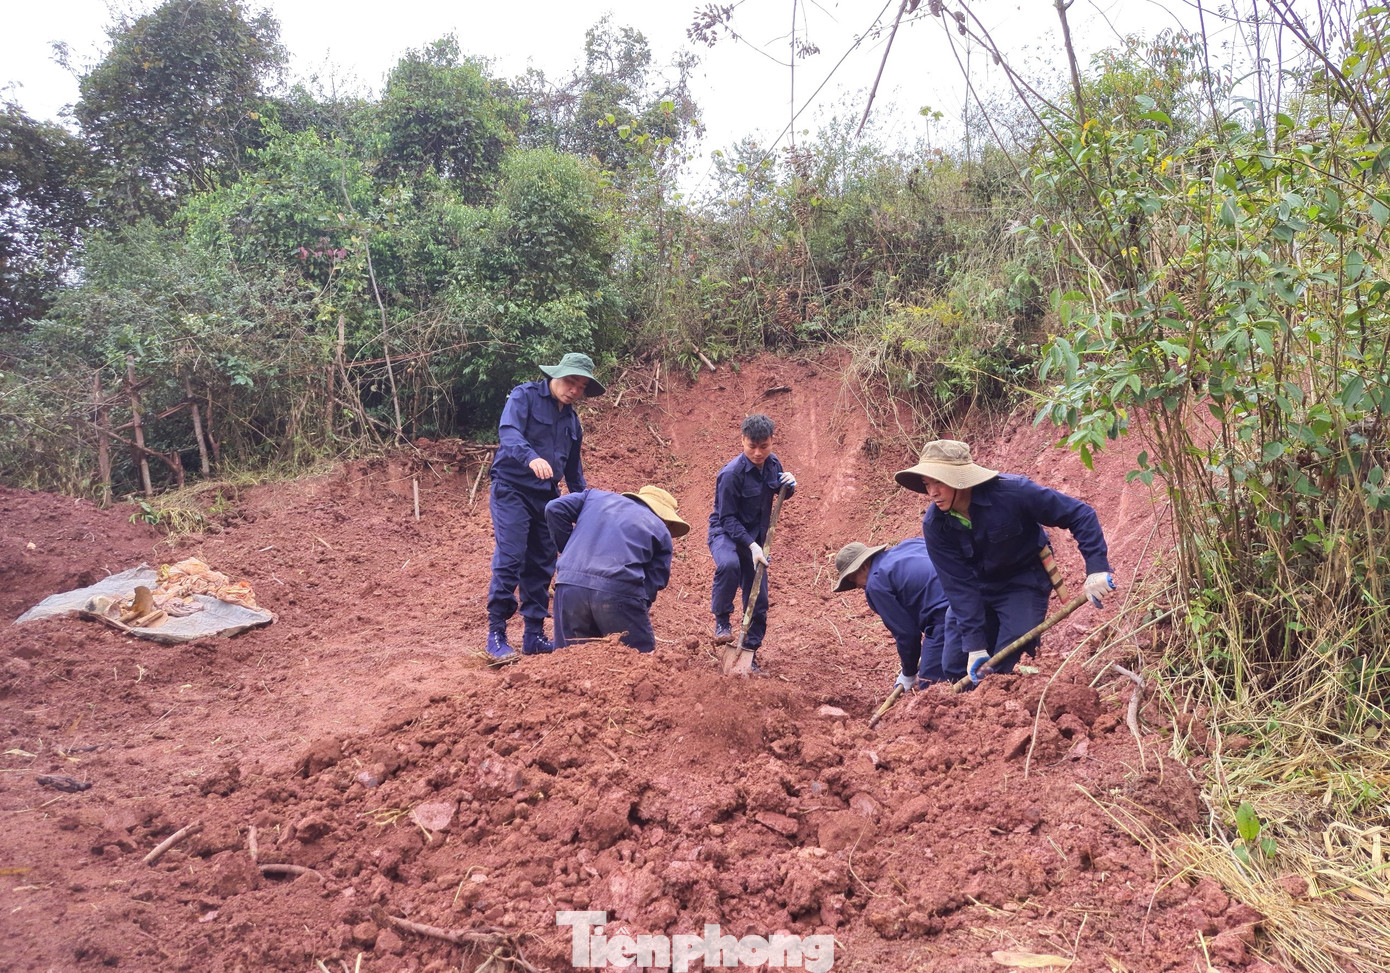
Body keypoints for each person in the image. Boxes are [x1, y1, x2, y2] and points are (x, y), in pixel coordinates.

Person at [895, 439, 1115, 685]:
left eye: (939, 482)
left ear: (961, 478)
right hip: (977, 587)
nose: (932, 492)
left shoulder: (1014, 493)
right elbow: (959, 588)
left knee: (1006, 660)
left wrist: (1096, 568)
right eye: (927, 484)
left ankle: (1009, 703)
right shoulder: (935, 525)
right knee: (954, 665)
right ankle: (971, 715)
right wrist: (976, 646)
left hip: (1023, 581)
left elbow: (1080, 515)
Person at [485, 352, 604, 665]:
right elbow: (508, 433)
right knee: (511, 556)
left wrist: (584, 505)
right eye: (570, 382)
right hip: (511, 488)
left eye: (581, 386)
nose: (574, 390)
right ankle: (496, 633)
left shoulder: (572, 422)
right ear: (556, 376)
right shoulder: (524, 396)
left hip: (546, 497)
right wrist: (530, 457)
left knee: (541, 563)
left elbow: (574, 469)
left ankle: (533, 636)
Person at [545, 485, 690, 652]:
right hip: (617, 591)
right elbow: (652, 584)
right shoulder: (660, 529)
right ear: (666, 518)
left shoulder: (593, 497)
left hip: (568, 585)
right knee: (637, 658)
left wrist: (569, 550)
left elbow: (553, 508)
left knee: (570, 657)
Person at [707, 414, 796, 667]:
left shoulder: (773, 464)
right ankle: (722, 621)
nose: (758, 453)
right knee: (729, 565)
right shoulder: (731, 474)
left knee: (758, 598)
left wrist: (789, 486)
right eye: (752, 446)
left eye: (764, 446)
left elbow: (779, 493)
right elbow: (727, 518)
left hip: (756, 538)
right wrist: (752, 544)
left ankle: (749, 652)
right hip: (726, 532)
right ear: (742, 441)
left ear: (772, 442)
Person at [832, 537, 951, 690]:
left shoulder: (876, 584)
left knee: (929, 684)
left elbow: (907, 634)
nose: (857, 586)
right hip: (972, 594)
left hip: (946, 615)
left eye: (853, 580)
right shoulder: (910, 545)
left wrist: (908, 673)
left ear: (861, 567)